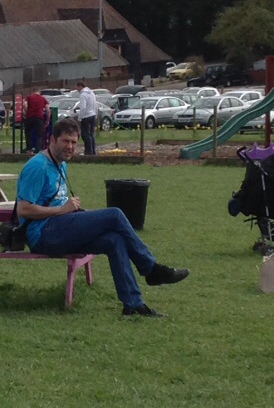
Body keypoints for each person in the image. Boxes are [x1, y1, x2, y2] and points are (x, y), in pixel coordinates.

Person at [15, 120, 190, 318]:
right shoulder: (38, 166)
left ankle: (133, 305)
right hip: (43, 235)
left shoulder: (60, 164)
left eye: (74, 142)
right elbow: (23, 209)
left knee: (114, 240)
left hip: (60, 228)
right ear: (52, 140)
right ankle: (151, 269)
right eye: (65, 141)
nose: (70, 147)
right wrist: (62, 210)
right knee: (114, 215)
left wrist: (71, 211)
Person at [75, 83, 99, 158]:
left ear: (80, 86)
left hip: (86, 116)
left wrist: (80, 118)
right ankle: (93, 151)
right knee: (91, 134)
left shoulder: (83, 95)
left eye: (77, 87)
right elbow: (95, 105)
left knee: (85, 135)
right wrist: (95, 114)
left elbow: (83, 108)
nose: (77, 89)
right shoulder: (92, 93)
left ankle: (88, 151)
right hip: (93, 115)